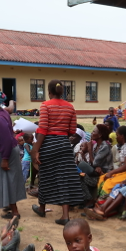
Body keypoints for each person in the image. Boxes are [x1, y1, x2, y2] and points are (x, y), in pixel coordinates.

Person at [30, 80, 85, 225]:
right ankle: (65, 215)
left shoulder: (45, 105)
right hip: (64, 144)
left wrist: (36, 149)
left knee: (45, 175)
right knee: (64, 178)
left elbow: (42, 129)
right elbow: (72, 130)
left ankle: (42, 208)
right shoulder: (70, 107)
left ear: (49, 92)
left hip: (48, 143)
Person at [0, 89, 26, 220]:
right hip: (4, 150)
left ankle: (15, 212)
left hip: (4, 151)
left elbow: (6, 140)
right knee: (7, 180)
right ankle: (10, 207)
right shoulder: (1, 113)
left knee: (7, 181)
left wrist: (5, 159)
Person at [96, 125, 126, 197]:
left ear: (122, 136)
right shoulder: (125, 145)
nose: (116, 137)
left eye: (117, 135)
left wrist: (111, 172)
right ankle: (99, 199)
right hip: (123, 171)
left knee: (109, 182)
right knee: (103, 177)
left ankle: (103, 201)